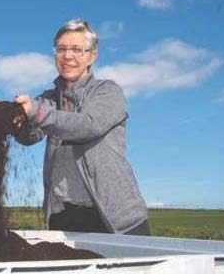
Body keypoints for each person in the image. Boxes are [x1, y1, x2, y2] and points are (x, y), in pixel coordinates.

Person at [15, 19, 149, 235]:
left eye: (77, 49)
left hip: (114, 218)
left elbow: (88, 125)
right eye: (61, 49)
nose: (68, 56)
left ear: (92, 56)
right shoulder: (48, 100)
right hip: (63, 217)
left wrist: (36, 112)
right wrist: (12, 116)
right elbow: (30, 136)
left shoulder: (108, 92)